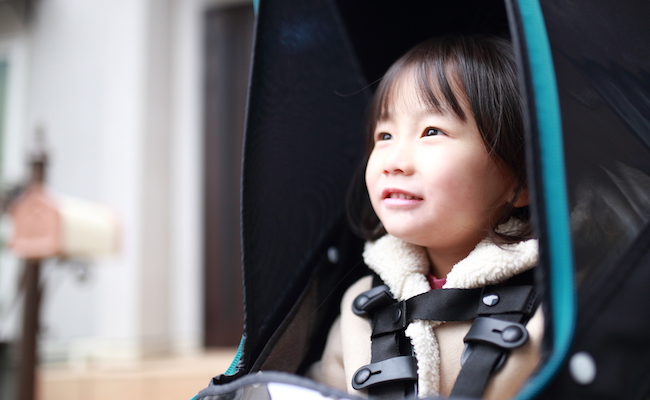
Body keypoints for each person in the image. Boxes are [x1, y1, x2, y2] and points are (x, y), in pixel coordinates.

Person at [306, 35, 543, 399]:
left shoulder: (555, 304)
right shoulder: (364, 304)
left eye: (431, 131)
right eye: (384, 135)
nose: (394, 161)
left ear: (521, 180)